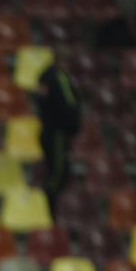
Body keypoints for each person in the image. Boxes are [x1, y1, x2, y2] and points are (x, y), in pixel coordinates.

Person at [35, 63, 82, 215]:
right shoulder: (58, 78)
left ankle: (52, 208)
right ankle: (49, 206)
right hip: (56, 133)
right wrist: (72, 125)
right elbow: (69, 106)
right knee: (57, 173)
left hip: (54, 131)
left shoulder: (50, 77)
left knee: (58, 173)